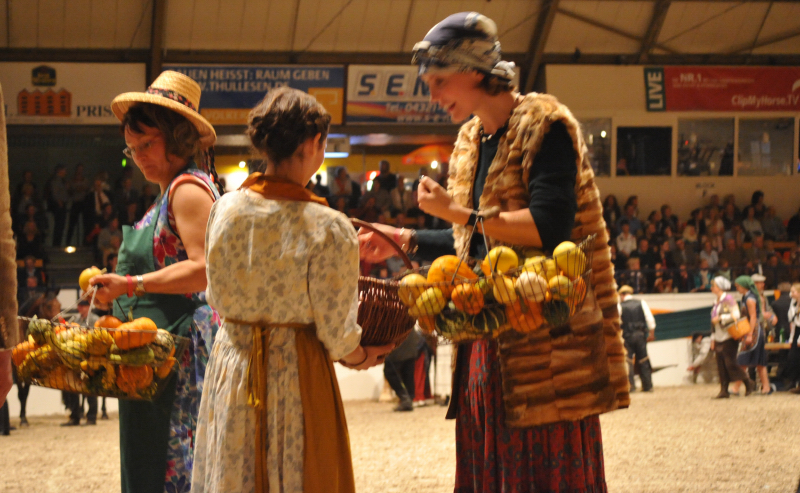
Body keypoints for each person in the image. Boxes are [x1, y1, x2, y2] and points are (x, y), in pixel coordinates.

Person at [359, 12, 627, 491]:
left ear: (475, 71)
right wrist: (403, 237)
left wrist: (456, 214)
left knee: (543, 469)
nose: (434, 94)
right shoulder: (471, 139)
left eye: (440, 81)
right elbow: (479, 244)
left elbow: (550, 228)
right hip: (488, 335)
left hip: (547, 344)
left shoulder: (546, 125)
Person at [192, 87, 392, 493]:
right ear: (312, 142)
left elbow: (214, 294)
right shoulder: (329, 227)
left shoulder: (224, 209)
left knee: (234, 471)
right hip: (296, 373)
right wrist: (361, 356)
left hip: (234, 364)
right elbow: (337, 333)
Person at [90, 71, 222, 493]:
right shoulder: (171, 192)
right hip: (154, 351)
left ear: (178, 137)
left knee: (169, 462)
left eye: (147, 144)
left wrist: (130, 285)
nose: (139, 155)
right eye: (132, 148)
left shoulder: (186, 190)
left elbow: (204, 269)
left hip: (178, 351)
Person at [709, 277, 754, 398]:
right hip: (718, 336)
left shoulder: (728, 299)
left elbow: (736, 314)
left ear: (719, 286)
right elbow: (712, 322)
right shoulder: (716, 301)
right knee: (721, 364)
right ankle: (724, 390)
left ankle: (747, 382)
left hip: (729, 335)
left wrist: (720, 318)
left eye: (713, 285)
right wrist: (712, 338)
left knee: (730, 363)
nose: (711, 287)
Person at [734, 275, 772, 395]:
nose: (737, 288)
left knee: (742, 360)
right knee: (760, 363)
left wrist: (750, 334)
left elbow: (753, 317)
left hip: (754, 331)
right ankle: (766, 388)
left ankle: (736, 388)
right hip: (754, 330)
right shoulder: (746, 297)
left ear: (744, 286)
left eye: (738, 286)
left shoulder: (750, 299)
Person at [618, 285, 655, 391]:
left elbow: (616, 322)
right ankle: (648, 386)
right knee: (643, 359)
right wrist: (651, 334)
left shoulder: (620, 305)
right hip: (640, 335)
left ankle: (631, 387)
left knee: (628, 361)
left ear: (622, 295)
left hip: (627, 337)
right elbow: (650, 320)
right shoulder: (641, 303)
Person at [384, 327, 425, 412]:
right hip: (410, 343)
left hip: (398, 345)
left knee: (390, 371)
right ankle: (409, 398)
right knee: (408, 373)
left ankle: (405, 398)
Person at [782, 283, 800, 393]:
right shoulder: (793, 304)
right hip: (796, 331)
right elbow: (792, 321)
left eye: (794, 292)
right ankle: (793, 382)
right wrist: (792, 338)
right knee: (793, 358)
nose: (791, 294)